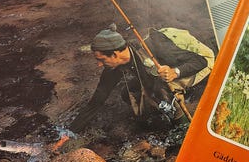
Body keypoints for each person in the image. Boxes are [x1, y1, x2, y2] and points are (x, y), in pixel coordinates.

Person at [68, 24, 213, 134]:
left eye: (101, 59)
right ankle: (158, 114)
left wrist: (175, 72)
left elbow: (200, 61)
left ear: (115, 54)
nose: (99, 65)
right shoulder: (114, 66)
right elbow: (97, 100)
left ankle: (182, 131)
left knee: (162, 90)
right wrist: (69, 133)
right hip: (162, 70)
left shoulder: (155, 45)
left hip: (199, 62)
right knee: (128, 92)